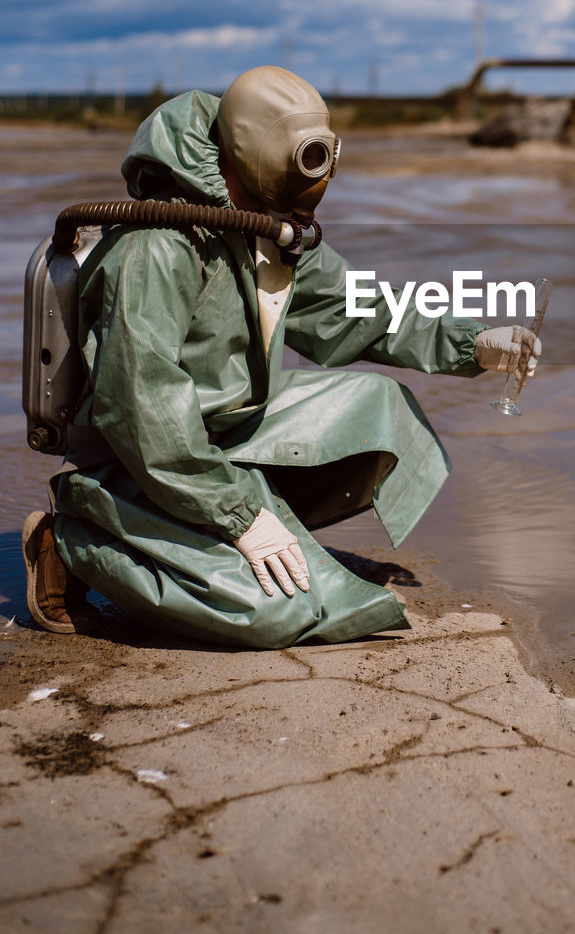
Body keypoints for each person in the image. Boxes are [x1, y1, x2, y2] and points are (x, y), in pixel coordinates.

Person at [22, 66, 540, 647]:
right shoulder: (159, 246)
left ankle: (222, 534)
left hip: (225, 429)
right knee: (280, 616)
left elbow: (360, 310)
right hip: (140, 460)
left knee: (382, 411)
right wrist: (242, 518)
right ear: (250, 154)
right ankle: (74, 538)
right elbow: (143, 410)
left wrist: (474, 345)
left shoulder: (268, 228)